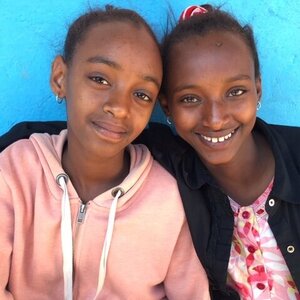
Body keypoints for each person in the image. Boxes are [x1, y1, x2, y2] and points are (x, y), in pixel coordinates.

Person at [2, 4, 299, 300]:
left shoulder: (168, 193)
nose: (215, 118)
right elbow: (81, 133)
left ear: (258, 89)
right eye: (191, 98)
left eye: (236, 92)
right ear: (167, 107)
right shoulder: (18, 170)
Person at [0, 6, 210, 300]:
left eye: (141, 94)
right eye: (100, 79)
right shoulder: (14, 171)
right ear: (60, 78)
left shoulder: (170, 200)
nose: (120, 106)